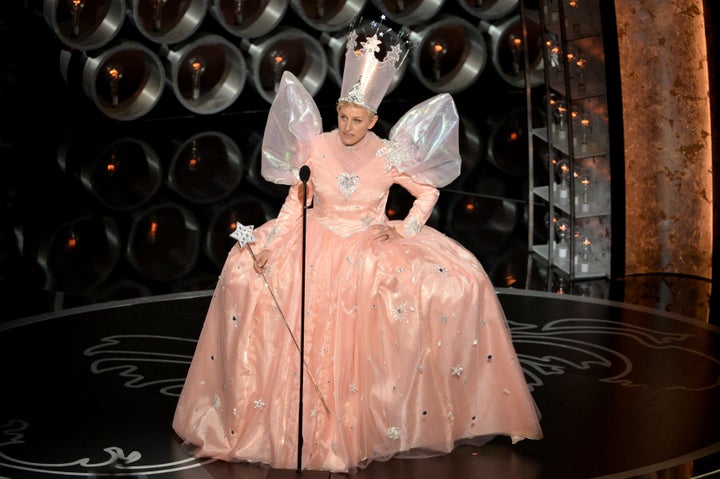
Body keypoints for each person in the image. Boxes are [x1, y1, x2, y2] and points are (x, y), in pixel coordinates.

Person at [172, 20, 543, 473]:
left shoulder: (387, 154)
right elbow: (296, 202)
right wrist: (274, 245)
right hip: (319, 237)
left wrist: (405, 229)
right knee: (251, 278)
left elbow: (428, 192)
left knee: (455, 284)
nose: (348, 127)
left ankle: (380, 421)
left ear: (372, 120)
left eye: (357, 120)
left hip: (369, 242)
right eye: (343, 117)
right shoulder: (318, 148)